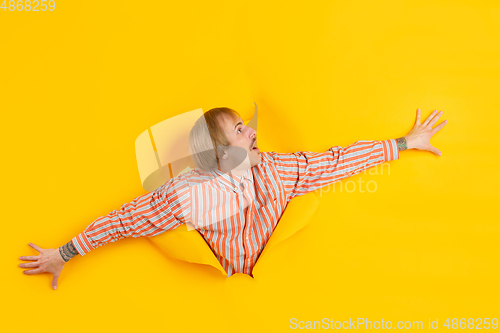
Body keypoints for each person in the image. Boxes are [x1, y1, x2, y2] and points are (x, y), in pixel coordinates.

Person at [19, 107, 447, 290]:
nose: (253, 132)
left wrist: (405, 143)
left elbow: (334, 163)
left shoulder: (275, 169)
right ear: (220, 152)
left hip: (282, 279)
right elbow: (126, 220)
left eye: (247, 124)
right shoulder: (184, 196)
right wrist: (66, 252)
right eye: (240, 129)